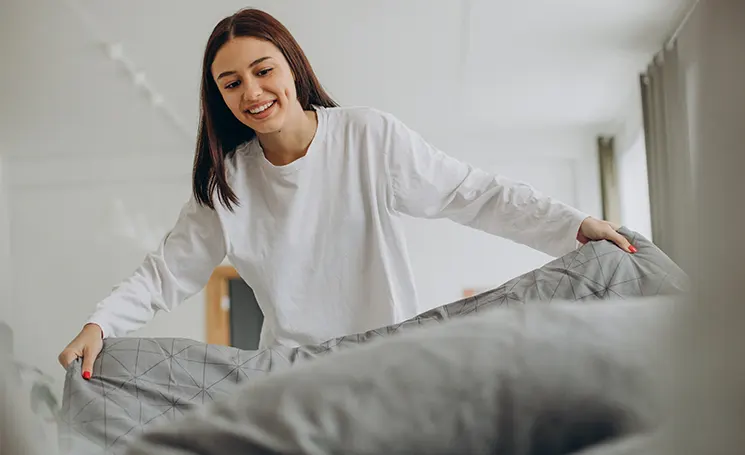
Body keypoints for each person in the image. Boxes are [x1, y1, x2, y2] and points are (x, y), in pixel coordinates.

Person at [58, 8, 636, 379]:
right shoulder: (230, 182)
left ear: (292, 66)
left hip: (394, 362)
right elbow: (166, 273)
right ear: (219, 99)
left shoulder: (366, 137)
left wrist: (572, 226)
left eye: (263, 71)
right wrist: (99, 323)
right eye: (231, 84)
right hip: (294, 376)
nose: (252, 92)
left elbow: (473, 193)